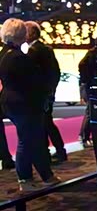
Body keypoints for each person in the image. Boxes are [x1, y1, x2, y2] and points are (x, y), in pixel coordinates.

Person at [0, 18, 60, 192]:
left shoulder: (4, 54)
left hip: (11, 101)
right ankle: (25, 179)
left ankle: (46, 176)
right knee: (27, 141)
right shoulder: (19, 57)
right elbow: (34, 81)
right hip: (24, 102)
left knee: (33, 139)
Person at [25, 21, 67, 163]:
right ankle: (58, 151)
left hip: (41, 95)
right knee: (47, 123)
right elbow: (56, 72)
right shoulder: (44, 49)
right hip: (46, 93)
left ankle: (52, 153)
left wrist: (48, 92)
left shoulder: (36, 50)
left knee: (45, 124)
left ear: (32, 33)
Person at [78, 8, 97, 146]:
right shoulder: (95, 52)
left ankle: (85, 136)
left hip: (92, 82)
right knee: (91, 110)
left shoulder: (93, 52)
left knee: (92, 110)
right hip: (94, 83)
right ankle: (84, 136)